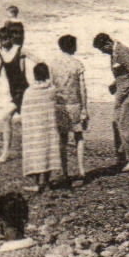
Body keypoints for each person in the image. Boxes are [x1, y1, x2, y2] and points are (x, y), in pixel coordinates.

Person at [92, 33, 129, 171]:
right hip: (122, 92)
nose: (103, 52)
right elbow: (124, 73)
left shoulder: (122, 52)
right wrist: (115, 84)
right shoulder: (115, 52)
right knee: (116, 122)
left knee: (124, 125)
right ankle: (122, 157)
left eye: (102, 49)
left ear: (108, 44)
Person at [48, 34, 89, 183]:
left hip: (59, 105)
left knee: (62, 139)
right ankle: (81, 170)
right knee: (79, 137)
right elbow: (82, 89)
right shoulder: (77, 64)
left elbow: (50, 87)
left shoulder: (53, 64)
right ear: (72, 46)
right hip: (75, 104)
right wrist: (84, 108)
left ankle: (64, 172)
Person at [0, 9, 28, 165]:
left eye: (6, 39)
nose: (3, 42)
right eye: (1, 40)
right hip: (14, 93)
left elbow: (30, 68)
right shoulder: (1, 54)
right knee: (23, 121)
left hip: (24, 92)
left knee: (7, 117)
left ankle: (6, 153)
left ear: (11, 39)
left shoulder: (19, 51)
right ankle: (8, 153)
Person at [19, 62, 61, 193]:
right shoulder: (52, 90)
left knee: (36, 153)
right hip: (48, 127)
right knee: (48, 151)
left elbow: (25, 111)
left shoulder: (30, 91)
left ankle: (37, 184)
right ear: (47, 74)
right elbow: (56, 105)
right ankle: (47, 182)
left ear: (34, 75)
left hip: (35, 128)